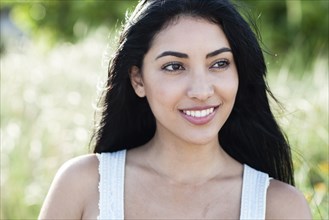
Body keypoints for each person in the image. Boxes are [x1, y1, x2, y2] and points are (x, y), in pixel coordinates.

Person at [39, 0, 312, 219]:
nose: (202, 91)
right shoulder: (83, 184)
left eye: (219, 63)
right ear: (138, 79)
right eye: (174, 66)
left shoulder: (280, 207)